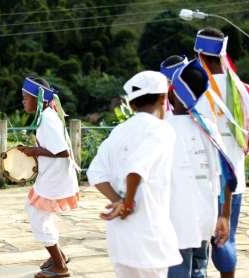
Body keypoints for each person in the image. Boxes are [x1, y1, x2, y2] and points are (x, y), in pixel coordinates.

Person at [87, 71, 182, 278]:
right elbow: (135, 169)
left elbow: (95, 173)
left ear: (131, 104)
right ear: (163, 98)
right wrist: (128, 204)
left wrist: (118, 201)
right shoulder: (162, 130)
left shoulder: (119, 131)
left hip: (121, 237)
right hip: (148, 231)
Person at [166, 58, 234, 278]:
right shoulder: (208, 127)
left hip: (176, 221)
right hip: (206, 217)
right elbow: (227, 175)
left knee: (178, 271)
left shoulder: (162, 130)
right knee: (198, 271)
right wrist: (224, 216)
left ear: (172, 94)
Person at [194, 27, 249, 278]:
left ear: (199, 54)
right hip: (234, 178)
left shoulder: (194, 86)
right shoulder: (240, 88)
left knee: (198, 244)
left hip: (203, 179)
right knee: (227, 238)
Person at [18, 76, 79, 278]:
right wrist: (32, 150)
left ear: (38, 99)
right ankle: (58, 256)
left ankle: (60, 265)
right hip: (52, 176)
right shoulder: (46, 115)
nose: (23, 101)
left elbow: (62, 151)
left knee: (37, 215)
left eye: (26, 97)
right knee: (37, 212)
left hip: (55, 178)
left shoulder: (47, 118)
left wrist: (34, 151)